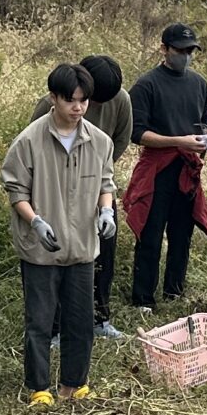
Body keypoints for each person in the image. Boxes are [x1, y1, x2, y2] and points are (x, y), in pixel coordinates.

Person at [2, 62, 116, 405]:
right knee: (40, 321)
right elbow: (16, 191)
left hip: (81, 245)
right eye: (70, 100)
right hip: (41, 248)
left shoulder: (99, 142)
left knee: (80, 320)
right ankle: (39, 387)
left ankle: (73, 382)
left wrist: (106, 211)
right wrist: (35, 221)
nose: (77, 108)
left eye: (83, 100)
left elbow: (105, 183)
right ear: (53, 98)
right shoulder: (29, 140)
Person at [126, 21, 207, 311]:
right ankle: (143, 298)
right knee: (151, 234)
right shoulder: (146, 85)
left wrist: (206, 141)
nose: (186, 56)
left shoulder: (199, 84)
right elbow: (137, 133)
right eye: (180, 51)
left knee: (182, 233)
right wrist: (178, 141)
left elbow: (205, 123)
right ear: (164, 49)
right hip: (157, 169)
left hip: (187, 168)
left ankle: (174, 291)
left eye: (191, 51)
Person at [81, 56, 133, 339]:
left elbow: (122, 138)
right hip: (63, 190)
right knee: (65, 256)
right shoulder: (60, 99)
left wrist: (101, 171)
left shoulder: (121, 100)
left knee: (105, 252)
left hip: (102, 186)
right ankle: (57, 326)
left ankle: (100, 319)